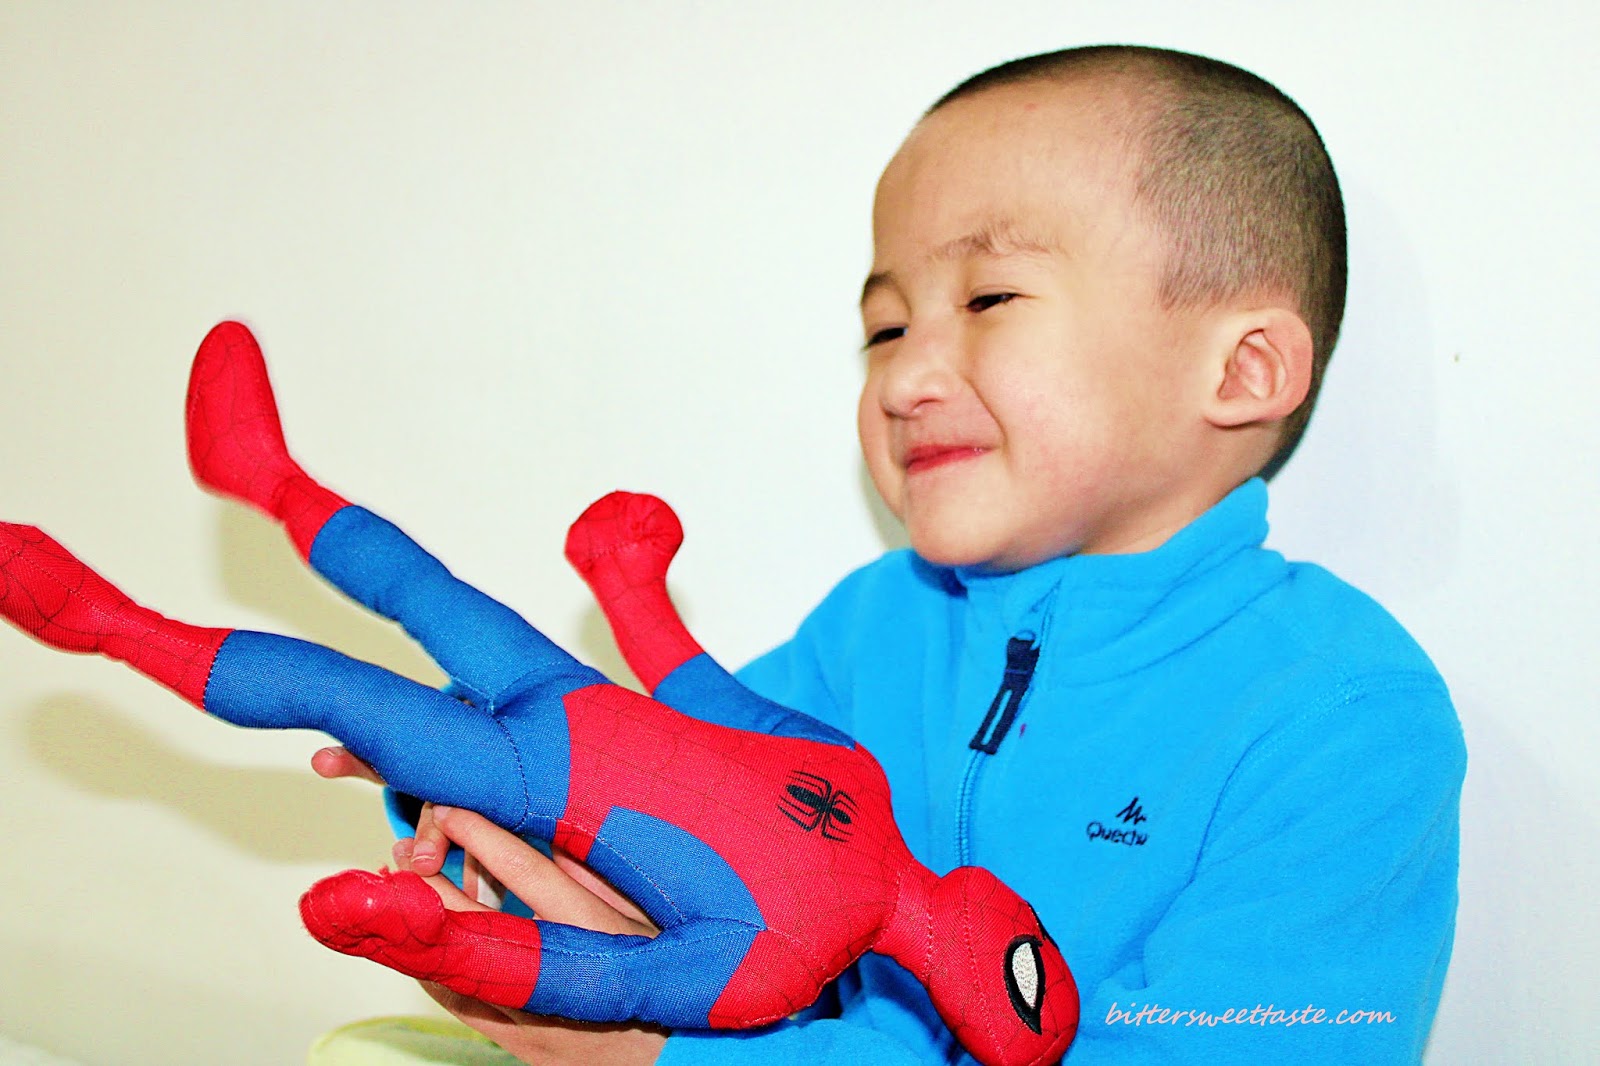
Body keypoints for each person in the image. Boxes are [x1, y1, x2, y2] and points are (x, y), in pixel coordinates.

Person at [318, 44, 1466, 1064]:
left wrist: (655, 1058)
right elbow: (662, 827)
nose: (904, 376)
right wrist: (490, 794)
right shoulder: (871, 628)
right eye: (885, 326)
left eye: (990, 297)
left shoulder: (1340, 716)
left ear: (1242, 369)